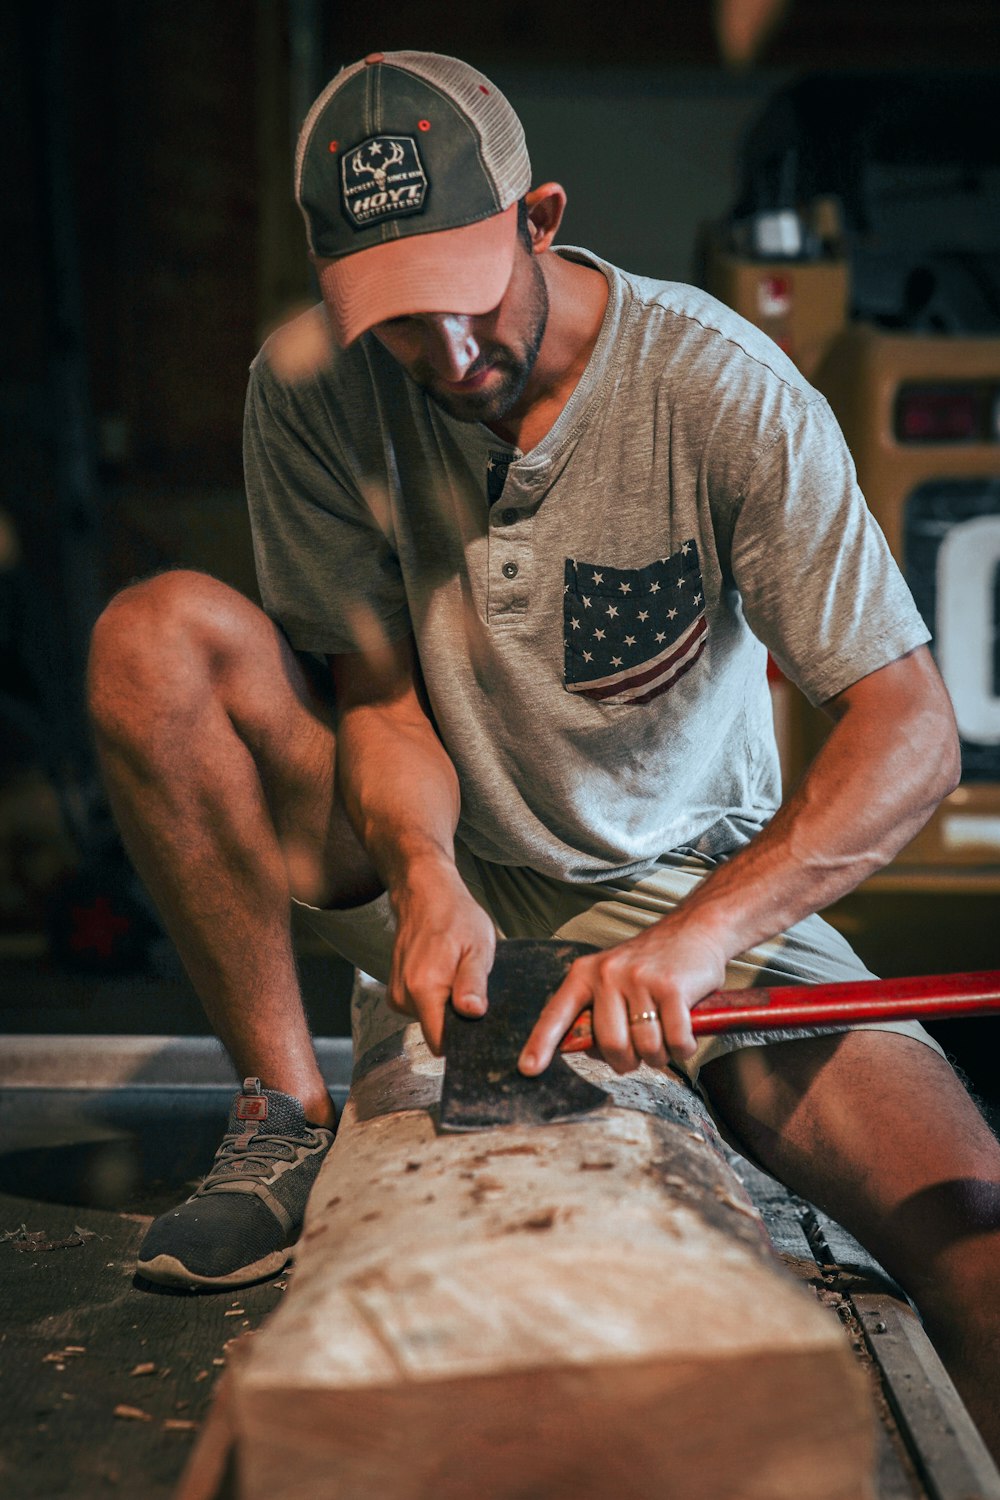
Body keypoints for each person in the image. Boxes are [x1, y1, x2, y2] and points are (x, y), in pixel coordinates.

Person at [87, 51, 999, 1456]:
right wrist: (425, 870)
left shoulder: (716, 384)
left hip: (688, 892)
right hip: (442, 867)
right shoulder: (311, 388)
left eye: (465, 303)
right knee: (154, 639)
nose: (446, 360)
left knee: (981, 1246)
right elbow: (381, 698)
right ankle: (282, 1109)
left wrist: (697, 941)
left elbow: (913, 735)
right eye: (396, 323)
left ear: (541, 218)